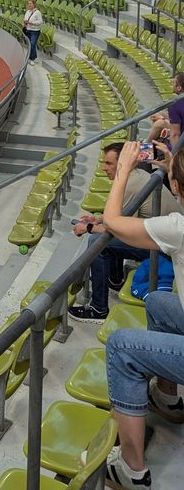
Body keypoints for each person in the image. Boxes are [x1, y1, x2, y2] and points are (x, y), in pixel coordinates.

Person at [101, 141, 184, 490]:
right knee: (159, 302)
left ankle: (132, 471)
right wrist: (171, 168)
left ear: (176, 186)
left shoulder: (178, 228)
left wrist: (124, 169)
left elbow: (113, 222)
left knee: (121, 347)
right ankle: (168, 397)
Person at [68, 141, 175, 322]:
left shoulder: (130, 184)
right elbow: (122, 215)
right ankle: (115, 280)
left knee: (97, 243)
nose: (104, 168)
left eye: (109, 163)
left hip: (166, 250)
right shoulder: (138, 174)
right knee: (106, 238)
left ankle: (99, 309)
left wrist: (88, 228)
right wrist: (98, 219)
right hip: (164, 239)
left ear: (124, 162)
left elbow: (118, 227)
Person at [22, 0, 42, 65]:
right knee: (30, 44)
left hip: (35, 31)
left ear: (34, 4)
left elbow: (40, 22)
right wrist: (24, 22)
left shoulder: (37, 12)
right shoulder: (27, 12)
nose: (29, 5)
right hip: (28, 30)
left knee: (32, 44)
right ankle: (32, 57)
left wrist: (32, 23)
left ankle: (31, 58)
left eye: (30, 3)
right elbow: (25, 19)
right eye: (28, 4)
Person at [168, 72, 184, 150]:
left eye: (173, 82)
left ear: (179, 88)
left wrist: (175, 156)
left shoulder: (174, 104)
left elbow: (175, 135)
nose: (172, 84)